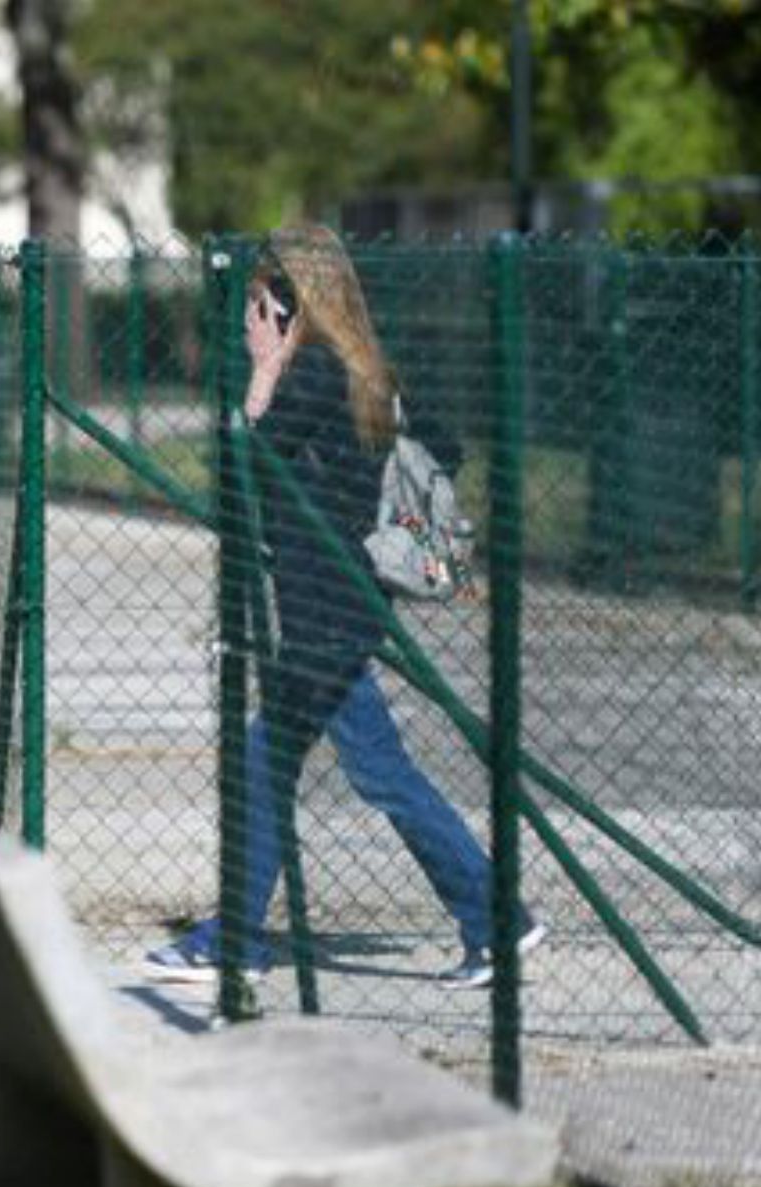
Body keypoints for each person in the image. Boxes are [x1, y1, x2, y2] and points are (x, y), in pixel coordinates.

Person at [145, 224, 544, 991]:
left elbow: (240, 475)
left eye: (258, 305)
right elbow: (445, 445)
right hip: (336, 607)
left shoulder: (313, 379)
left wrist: (262, 379)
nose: (245, 322)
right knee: (283, 766)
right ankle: (491, 923)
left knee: (363, 775)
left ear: (293, 308)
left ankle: (489, 921)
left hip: (324, 616)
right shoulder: (364, 374)